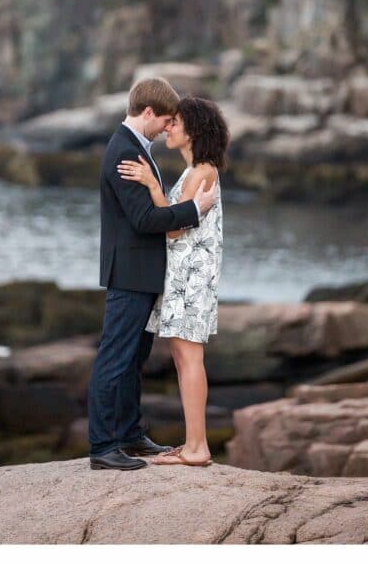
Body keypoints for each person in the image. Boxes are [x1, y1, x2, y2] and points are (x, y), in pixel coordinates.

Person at [88, 77, 218, 471]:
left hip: (144, 276)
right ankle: (103, 445)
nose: (167, 128)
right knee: (115, 358)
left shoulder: (136, 149)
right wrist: (196, 210)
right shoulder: (122, 152)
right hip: (130, 274)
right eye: (165, 120)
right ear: (148, 113)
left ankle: (128, 434)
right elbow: (145, 219)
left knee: (132, 358)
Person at [117, 96, 229, 467]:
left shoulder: (201, 171)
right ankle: (193, 443)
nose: (169, 127)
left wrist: (151, 184)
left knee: (189, 357)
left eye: (175, 123)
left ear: (193, 130)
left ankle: (198, 447)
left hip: (190, 279)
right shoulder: (198, 170)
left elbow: (173, 228)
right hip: (187, 278)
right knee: (184, 358)